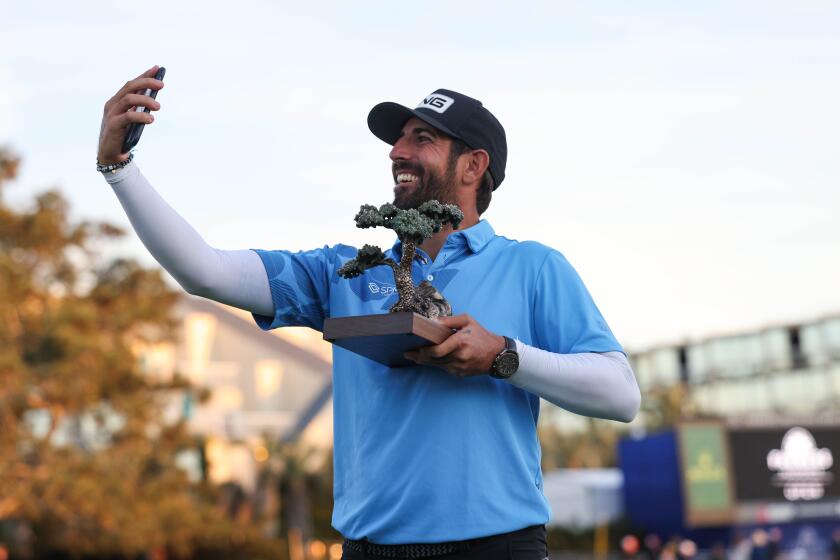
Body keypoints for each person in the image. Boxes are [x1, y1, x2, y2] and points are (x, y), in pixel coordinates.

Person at [97, 65, 641, 560]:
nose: (397, 151)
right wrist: (118, 168)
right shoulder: (343, 272)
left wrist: (504, 356)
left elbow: (620, 394)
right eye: (398, 138)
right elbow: (203, 270)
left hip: (497, 549)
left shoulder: (533, 267)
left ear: (474, 165)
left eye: (421, 138)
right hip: (365, 552)